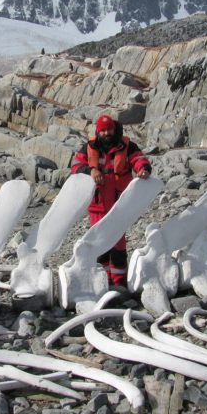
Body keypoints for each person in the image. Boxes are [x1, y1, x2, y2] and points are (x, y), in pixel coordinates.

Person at [70, 114, 152, 286]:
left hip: (119, 204)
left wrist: (143, 169)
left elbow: (138, 159)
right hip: (97, 205)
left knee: (118, 244)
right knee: (99, 243)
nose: (107, 133)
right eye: (103, 130)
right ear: (98, 131)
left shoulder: (126, 146)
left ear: (114, 129)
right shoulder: (89, 147)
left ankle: (120, 282)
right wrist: (91, 171)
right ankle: (102, 281)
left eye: (109, 129)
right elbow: (76, 167)